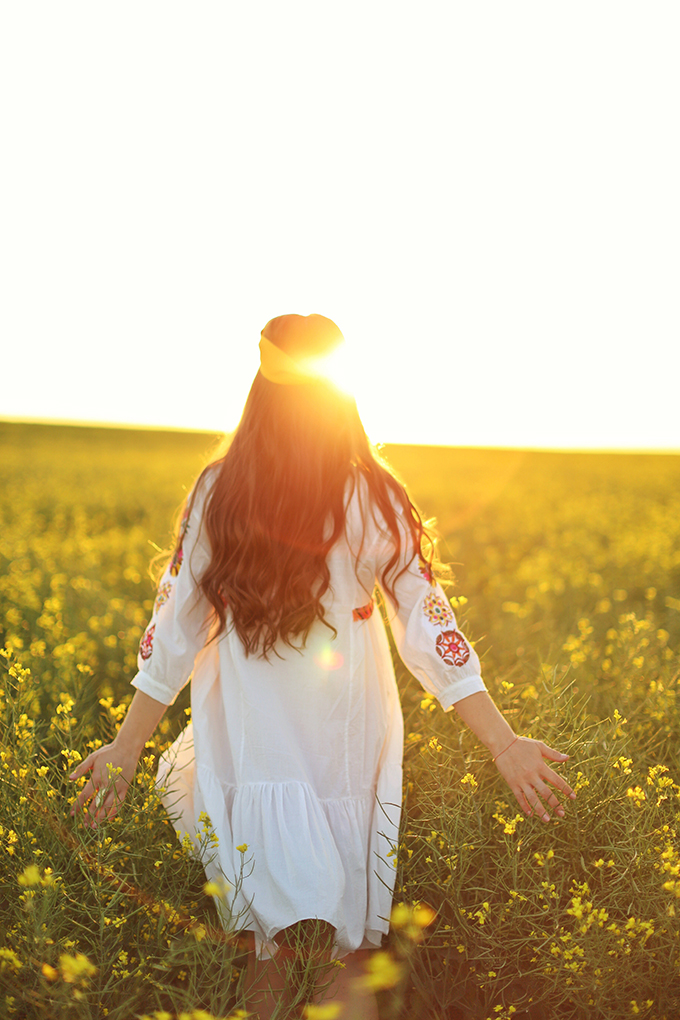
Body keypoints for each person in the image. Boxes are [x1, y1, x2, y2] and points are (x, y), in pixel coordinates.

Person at [68, 314, 576, 1019]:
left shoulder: (220, 490)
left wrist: (128, 746)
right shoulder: (375, 494)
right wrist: (505, 743)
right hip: (345, 746)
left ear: (261, 392)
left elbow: (173, 632)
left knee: (262, 950)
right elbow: (433, 631)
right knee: (348, 954)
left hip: (252, 745)